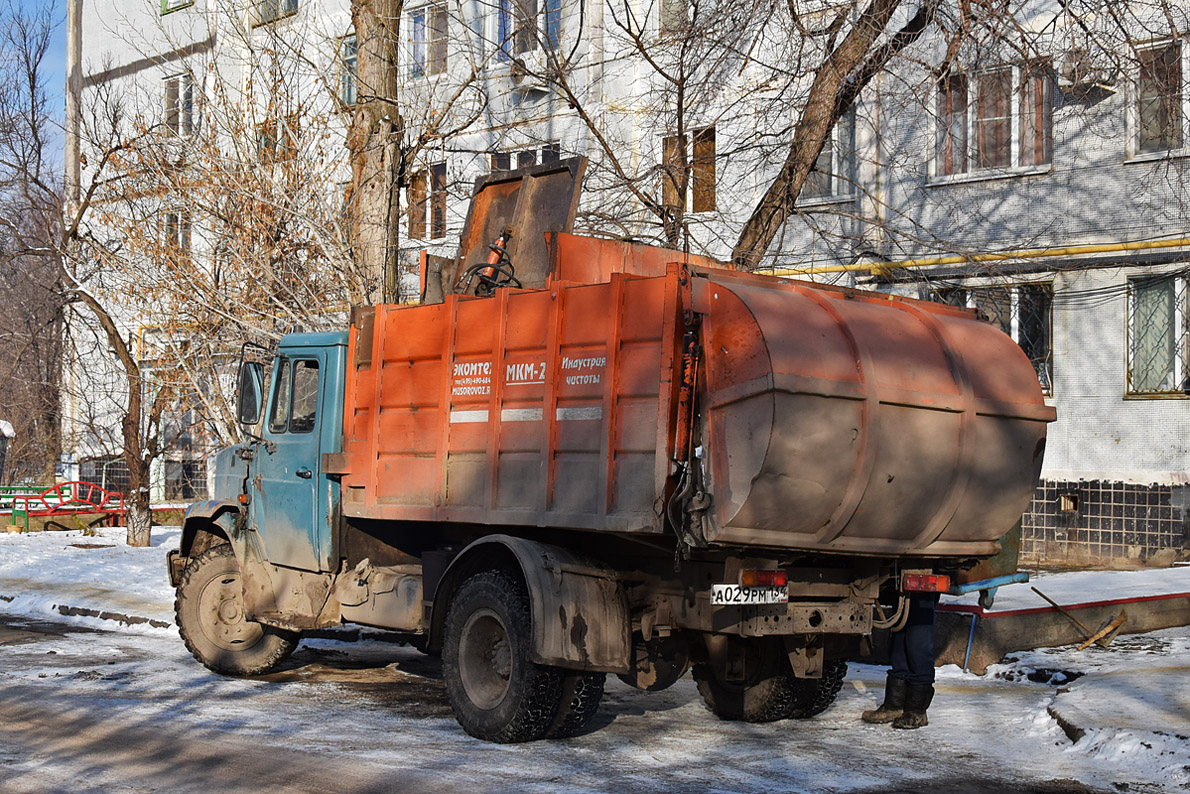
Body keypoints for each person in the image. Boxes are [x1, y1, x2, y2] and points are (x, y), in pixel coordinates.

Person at [861, 591, 939, 729]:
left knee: (918, 637)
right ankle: (894, 706)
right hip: (901, 582)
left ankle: (917, 711)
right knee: (900, 638)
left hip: (923, 579)